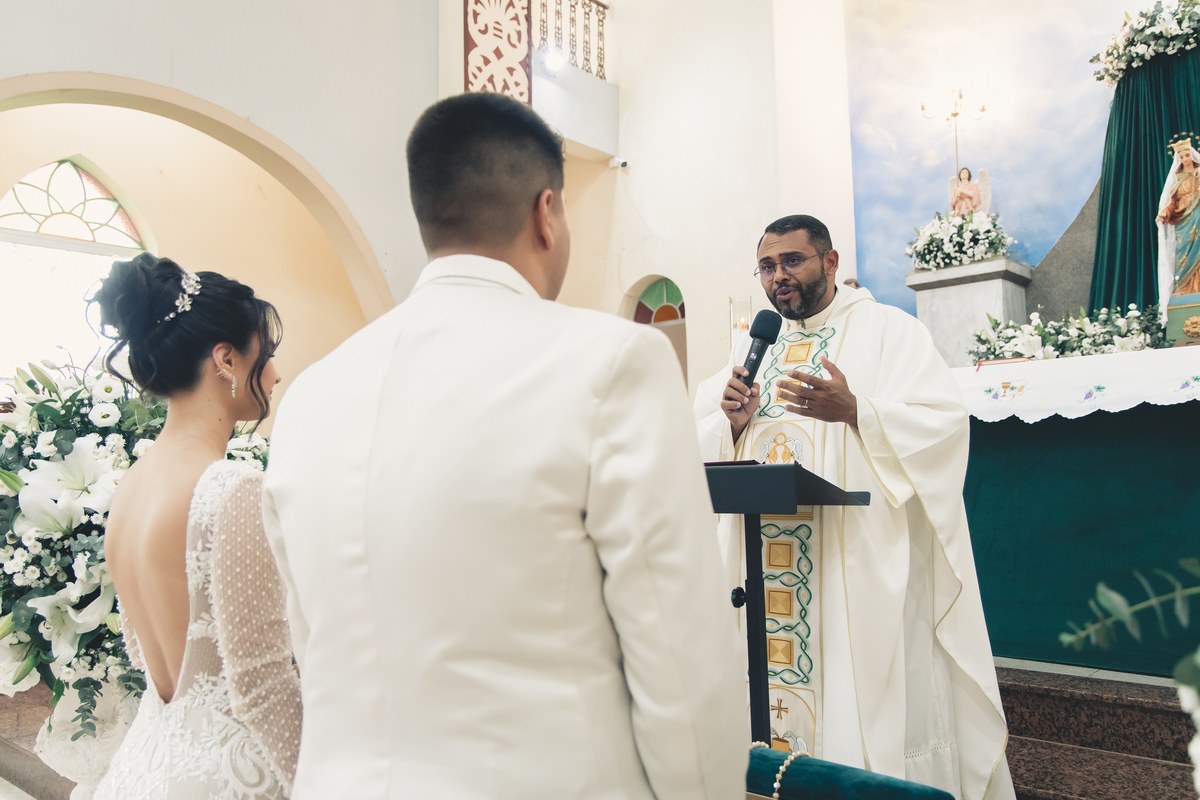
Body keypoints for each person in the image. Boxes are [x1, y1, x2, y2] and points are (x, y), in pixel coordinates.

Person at [262, 92, 746, 799]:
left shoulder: (310, 396)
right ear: (546, 214)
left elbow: (312, 641)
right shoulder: (612, 362)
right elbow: (680, 660)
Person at [694, 215, 1014, 800]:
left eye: (792, 260)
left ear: (831, 262)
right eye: (767, 266)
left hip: (854, 564)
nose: (778, 276)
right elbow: (697, 438)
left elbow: (944, 424)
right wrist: (731, 425)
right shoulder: (753, 347)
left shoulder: (889, 331)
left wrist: (858, 411)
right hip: (764, 573)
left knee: (856, 697)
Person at [92, 254, 301, 798]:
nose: (276, 374)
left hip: (143, 769)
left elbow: (147, 660)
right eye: (267, 355)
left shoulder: (129, 487)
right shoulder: (231, 489)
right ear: (226, 359)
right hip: (229, 777)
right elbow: (263, 682)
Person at [1156, 138, 1200, 316]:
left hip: (1199, 217)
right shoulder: (1177, 179)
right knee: (1183, 254)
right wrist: (1164, 213)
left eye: (1187, 155)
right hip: (1183, 223)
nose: (1185, 159)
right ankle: (1183, 287)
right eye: (1182, 156)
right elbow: (1171, 202)